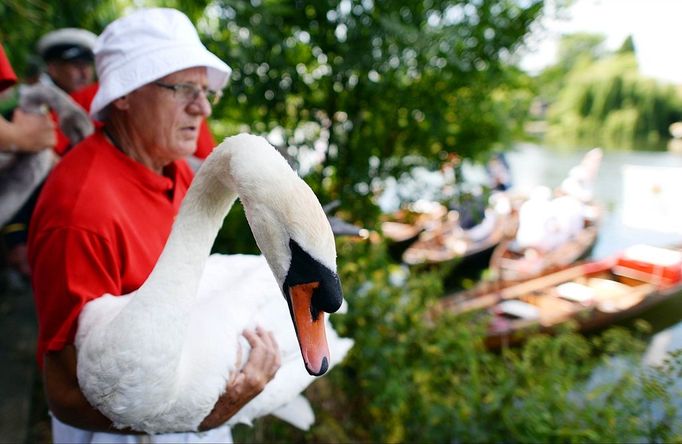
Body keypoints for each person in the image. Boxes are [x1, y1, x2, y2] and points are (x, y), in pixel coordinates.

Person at [27, 8, 280, 442]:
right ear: (123, 94)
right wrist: (207, 414)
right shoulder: (80, 215)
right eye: (182, 88)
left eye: (204, 91)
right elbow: (64, 394)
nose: (201, 107)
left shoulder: (177, 171)